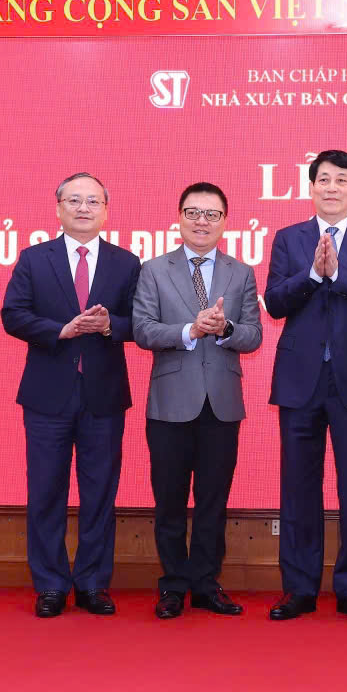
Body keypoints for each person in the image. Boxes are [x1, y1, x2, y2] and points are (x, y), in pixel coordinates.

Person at [264, 149, 347, 622]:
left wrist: (338, 274)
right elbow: (276, 303)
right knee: (299, 487)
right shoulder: (288, 239)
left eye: (342, 180)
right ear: (311, 186)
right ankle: (298, 588)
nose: (332, 187)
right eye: (324, 178)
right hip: (300, 380)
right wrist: (310, 275)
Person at [0, 172, 141, 618]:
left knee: (100, 492)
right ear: (58, 208)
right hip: (47, 395)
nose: (83, 208)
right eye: (74, 200)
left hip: (103, 395)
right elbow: (12, 314)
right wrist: (59, 330)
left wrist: (110, 326)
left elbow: (141, 322)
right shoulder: (33, 259)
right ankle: (50, 584)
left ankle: (93, 583)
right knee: (46, 492)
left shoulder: (126, 262)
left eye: (93, 201)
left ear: (105, 210)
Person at [133, 182, 263, 620]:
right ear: (179, 217)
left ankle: (206, 583)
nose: (202, 221)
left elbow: (253, 335)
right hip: (170, 402)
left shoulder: (241, 272)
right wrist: (191, 330)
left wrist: (224, 329)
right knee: (169, 500)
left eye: (211, 214)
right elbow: (143, 329)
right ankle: (172, 585)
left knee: (213, 500)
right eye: (194, 212)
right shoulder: (154, 269)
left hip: (222, 404)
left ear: (225, 221)